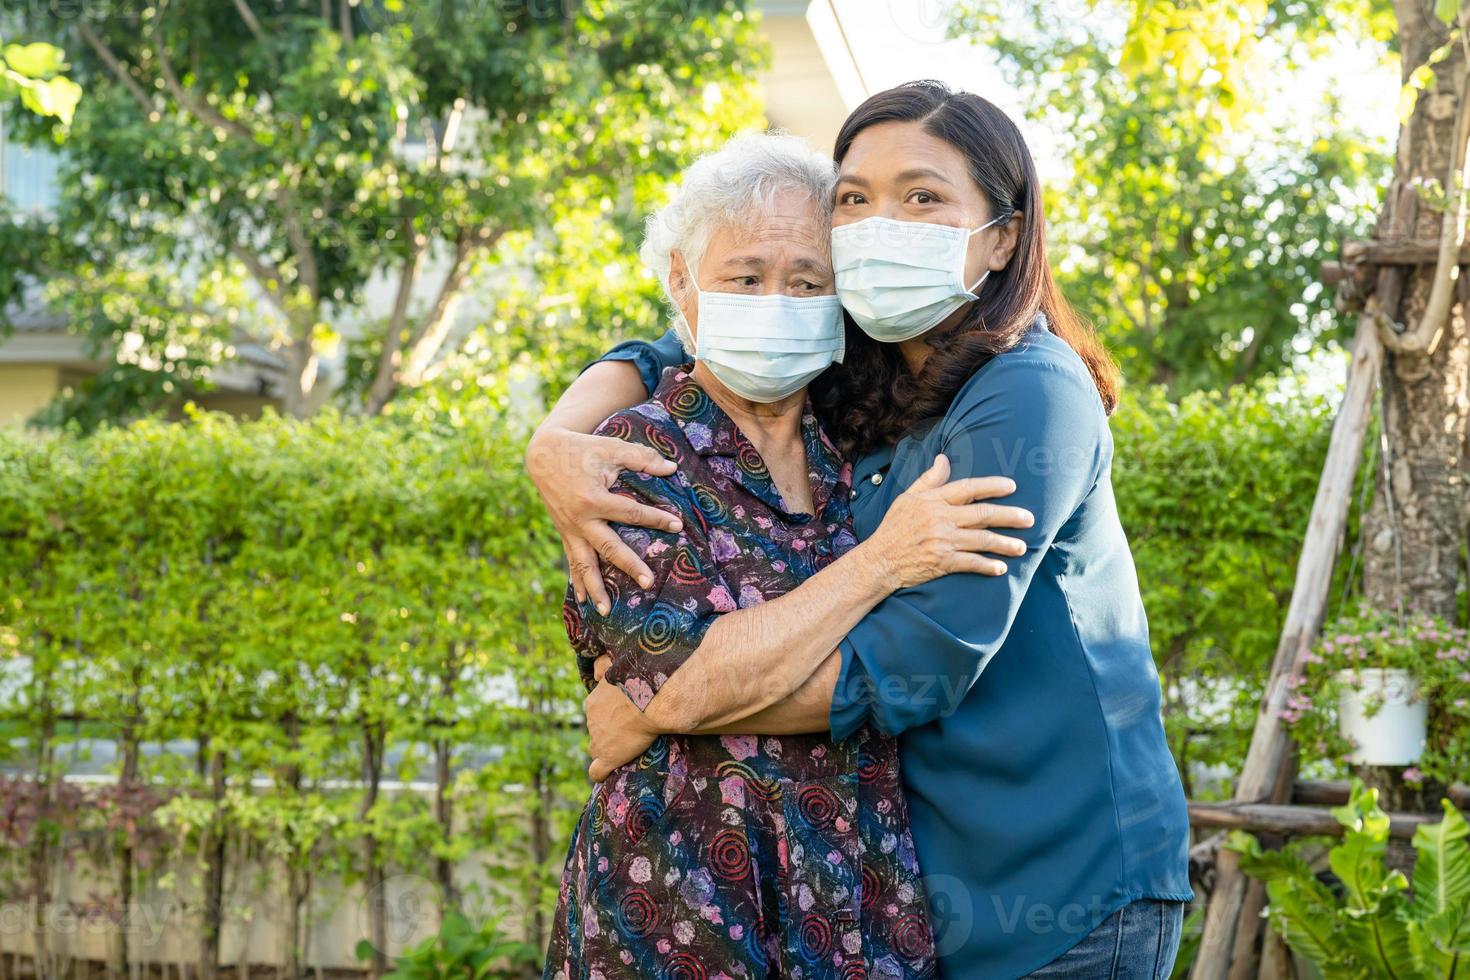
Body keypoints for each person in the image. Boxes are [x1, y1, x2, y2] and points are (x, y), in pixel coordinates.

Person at [530, 82, 1195, 979]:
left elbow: (913, 664)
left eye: (923, 196)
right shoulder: (859, 373)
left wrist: (661, 708)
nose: (883, 225)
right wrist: (554, 439)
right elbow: (691, 339)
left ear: (1002, 235)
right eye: (856, 199)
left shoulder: (1026, 391)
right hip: (909, 888)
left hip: (1061, 877)